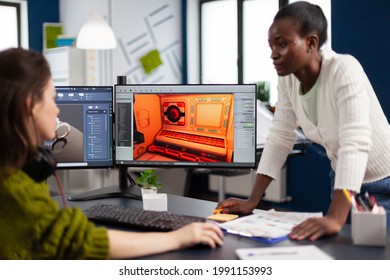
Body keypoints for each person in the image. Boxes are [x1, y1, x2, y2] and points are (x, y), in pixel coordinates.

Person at [0, 47, 223, 259]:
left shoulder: (17, 166)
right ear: (31, 105)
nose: (57, 109)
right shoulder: (15, 185)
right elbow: (83, 242)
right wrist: (178, 238)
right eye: (52, 98)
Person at [217, 1, 390, 240]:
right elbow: (280, 136)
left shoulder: (344, 69)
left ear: (311, 42)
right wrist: (252, 200)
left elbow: (355, 142)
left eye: (282, 44)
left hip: (384, 182)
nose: (273, 53)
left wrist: (335, 217)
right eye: (271, 46)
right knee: (348, 254)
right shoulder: (289, 80)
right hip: (345, 183)